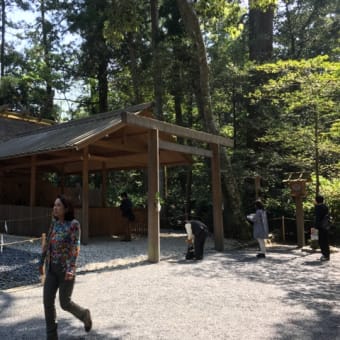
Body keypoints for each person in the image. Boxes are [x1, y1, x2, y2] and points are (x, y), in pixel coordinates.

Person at [39, 195, 92, 340]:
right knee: (47, 302)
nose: (55, 208)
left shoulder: (74, 224)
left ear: (66, 208)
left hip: (66, 270)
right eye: (54, 205)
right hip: (51, 270)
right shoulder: (54, 223)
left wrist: (71, 268)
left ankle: (84, 314)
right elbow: (48, 244)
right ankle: (52, 336)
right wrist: (41, 262)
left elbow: (75, 247)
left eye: (58, 205)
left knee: (65, 303)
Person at [314, 195, 330, 261]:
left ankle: (325, 256)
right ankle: (326, 255)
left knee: (321, 241)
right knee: (325, 241)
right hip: (326, 225)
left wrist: (315, 226)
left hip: (321, 226)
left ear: (317, 200)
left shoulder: (318, 207)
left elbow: (317, 218)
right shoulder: (325, 206)